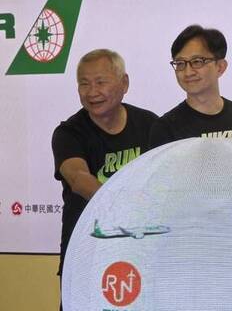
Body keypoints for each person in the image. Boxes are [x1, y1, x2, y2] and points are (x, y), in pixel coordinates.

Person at [52, 49, 158, 299]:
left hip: (140, 252)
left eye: (101, 82)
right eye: (84, 84)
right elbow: (79, 179)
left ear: (124, 83)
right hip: (86, 252)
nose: (92, 92)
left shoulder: (150, 125)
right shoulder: (68, 133)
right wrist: (127, 206)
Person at [149, 25, 232, 147]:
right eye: (180, 63)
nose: (188, 72)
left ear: (220, 67)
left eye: (197, 61)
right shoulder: (166, 128)